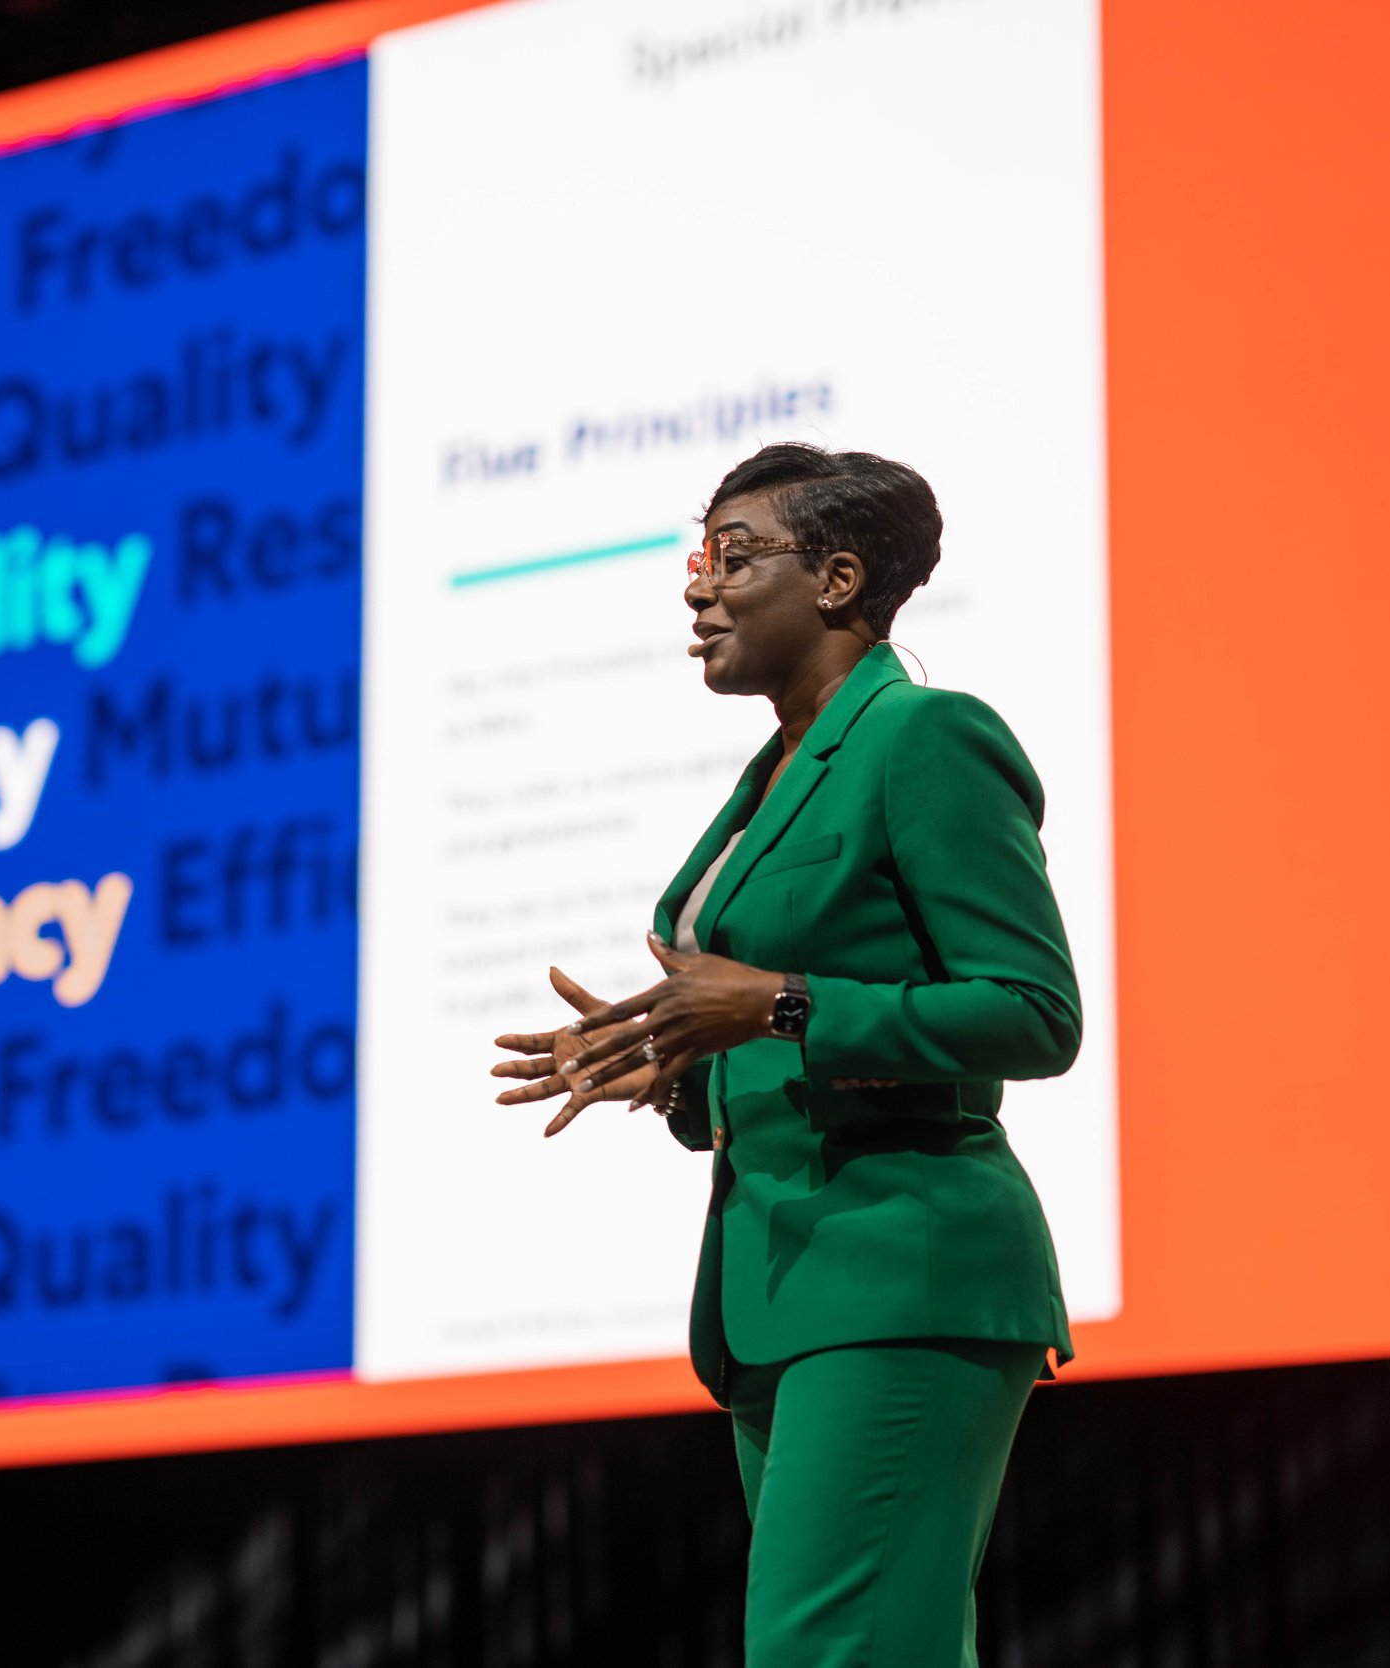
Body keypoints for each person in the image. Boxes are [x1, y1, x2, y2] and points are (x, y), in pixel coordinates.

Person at [492, 442, 1078, 1666]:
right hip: (779, 1285)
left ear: (837, 579)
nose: (698, 589)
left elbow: (1033, 1012)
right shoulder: (774, 777)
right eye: (697, 562)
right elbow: (764, 1023)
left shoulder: (922, 738)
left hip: (903, 1265)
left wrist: (782, 1006)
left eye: (734, 559)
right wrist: (678, 1067)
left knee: (834, 1653)